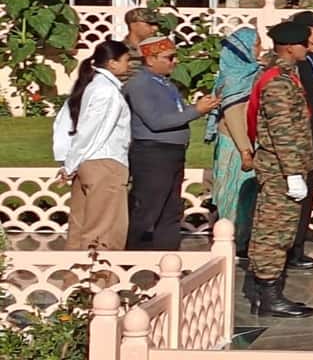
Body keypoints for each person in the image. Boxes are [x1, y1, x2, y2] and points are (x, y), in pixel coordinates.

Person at [247, 22, 313, 318]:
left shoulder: (285, 75)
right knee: (273, 232)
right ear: (289, 47)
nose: (307, 48)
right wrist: (292, 173)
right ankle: (269, 296)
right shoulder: (278, 82)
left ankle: (267, 293)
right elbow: (282, 131)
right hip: (279, 169)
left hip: (283, 167)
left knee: (280, 230)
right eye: (303, 44)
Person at [124, 36, 220, 251]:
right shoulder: (140, 84)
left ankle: (166, 256)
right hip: (153, 154)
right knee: (148, 209)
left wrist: (197, 108)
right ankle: (131, 258)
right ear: (150, 59)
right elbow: (156, 121)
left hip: (170, 153)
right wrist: (196, 111)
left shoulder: (165, 83)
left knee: (170, 210)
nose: (174, 61)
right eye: (169, 57)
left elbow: (175, 113)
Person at [54, 40, 133, 250]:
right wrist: (70, 164)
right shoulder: (106, 91)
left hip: (88, 164)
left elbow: (64, 124)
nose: (129, 65)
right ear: (112, 63)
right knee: (104, 232)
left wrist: (70, 161)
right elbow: (93, 131)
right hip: (105, 163)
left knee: (80, 227)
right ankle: (97, 271)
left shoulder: (91, 87)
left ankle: (74, 270)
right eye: (126, 60)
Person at [203, 27, 262, 258]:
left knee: (247, 194)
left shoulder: (250, 72)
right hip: (236, 145)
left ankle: (243, 238)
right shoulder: (234, 78)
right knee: (235, 194)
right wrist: (246, 151)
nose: (260, 49)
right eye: (256, 44)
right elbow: (234, 116)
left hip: (246, 142)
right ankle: (234, 240)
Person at [287, 10, 313, 269]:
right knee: (296, 193)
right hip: (300, 135)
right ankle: (290, 249)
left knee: (310, 188)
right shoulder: (296, 63)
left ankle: (299, 246)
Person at [120, 7, 161, 81]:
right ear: (133, 25)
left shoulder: (160, 51)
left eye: (156, 24)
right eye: (150, 23)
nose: (155, 28)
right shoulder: (118, 51)